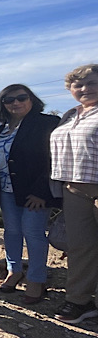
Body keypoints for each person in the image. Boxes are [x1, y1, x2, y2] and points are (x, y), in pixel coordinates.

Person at [0, 84, 60, 304]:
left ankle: (36, 279)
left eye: (21, 97)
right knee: (12, 231)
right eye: (9, 100)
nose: (16, 103)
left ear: (31, 99)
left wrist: (41, 192)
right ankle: (14, 270)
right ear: (2, 104)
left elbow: (53, 159)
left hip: (34, 193)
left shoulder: (47, 123)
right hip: (6, 189)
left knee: (33, 233)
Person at [50, 64, 98, 323]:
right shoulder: (70, 115)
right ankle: (79, 300)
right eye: (78, 85)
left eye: (92, 83)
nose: (85, 89)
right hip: (74, 188)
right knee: (80, 248)